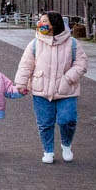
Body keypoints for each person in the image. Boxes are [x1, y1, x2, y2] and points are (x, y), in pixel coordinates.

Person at [14, 11, 88, 164]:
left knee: (67, 120)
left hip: (66, 91)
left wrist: (68, 78)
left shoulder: (72, 43)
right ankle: (48, 151)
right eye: (40, 21)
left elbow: (81, 64)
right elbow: (25, 65)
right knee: (45, 123)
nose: (40, 24)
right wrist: (21, 84)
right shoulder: (35, 44)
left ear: (54, 24)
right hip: (41, 90)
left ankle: (66, 144)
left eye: (44, 21)